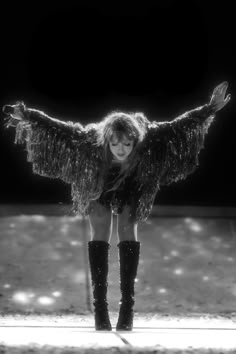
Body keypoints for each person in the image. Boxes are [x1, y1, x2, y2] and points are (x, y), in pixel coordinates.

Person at [2, 81, 231, 331]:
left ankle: (127, 309)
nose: (121, 150)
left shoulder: (150, 137)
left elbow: (180, 125)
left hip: (133, 183)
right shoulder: (90, 141)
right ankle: (100, 310)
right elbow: (57, 127)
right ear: (107, 141)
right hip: (98, 180)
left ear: (135, 141)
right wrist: (27, 114)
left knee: (126, 230)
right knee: (100, 231)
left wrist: (210, 108)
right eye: (115, 144)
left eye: (127, 144)